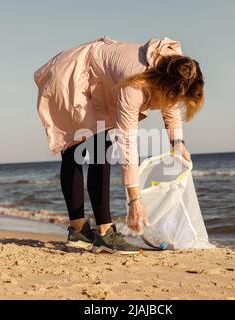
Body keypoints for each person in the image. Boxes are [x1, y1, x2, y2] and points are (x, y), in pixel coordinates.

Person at [34, 36, 204, 254]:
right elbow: (127, 143)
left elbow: (169, 105)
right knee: (80, 150)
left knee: (98, 148)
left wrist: (178, 143)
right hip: (70, 76)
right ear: (163, 84)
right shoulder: (134, 84)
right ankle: (91, 232)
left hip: (97, 82)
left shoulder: (174, 67)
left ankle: (90, 233)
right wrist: (135, 200)